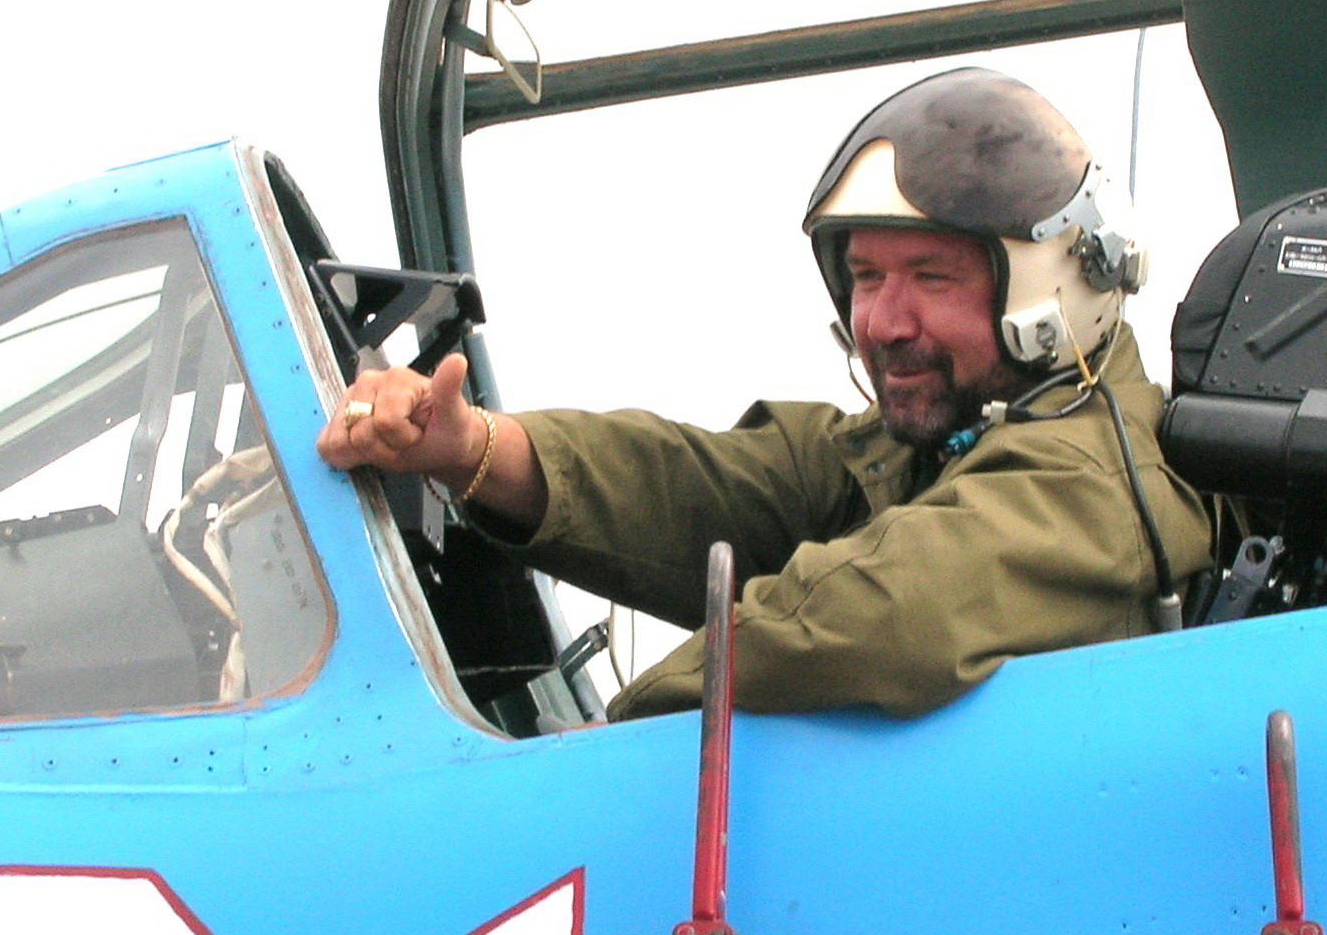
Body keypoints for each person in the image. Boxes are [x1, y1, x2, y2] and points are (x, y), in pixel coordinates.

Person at [317, 68, 1210, 720]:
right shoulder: (932, 447)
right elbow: (704, 483)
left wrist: (587, 762)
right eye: (865, 277)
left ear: (1054, 288)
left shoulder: (1095, 478)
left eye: (931, 277)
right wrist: (473, 449)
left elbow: (883, 614)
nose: (885, 321)